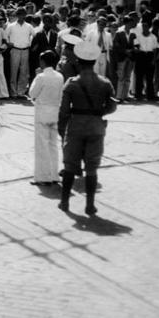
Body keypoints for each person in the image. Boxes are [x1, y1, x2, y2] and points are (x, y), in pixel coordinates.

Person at [57, 40, 117, 215]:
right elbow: (112, 106)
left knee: (69, 166)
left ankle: (65, 202)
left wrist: (64, 128)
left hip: (76, 126)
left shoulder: (71, 83)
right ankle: (90, 205)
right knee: (92, 167)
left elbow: (64, 110)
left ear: (79, 61)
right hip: (96, 127)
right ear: (93, 62)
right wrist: (98, 113)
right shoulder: (105, 83)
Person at [28, 50, 63, 185]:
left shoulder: (41, 77)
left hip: (42, 111)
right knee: (53, 144)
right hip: (55, 111)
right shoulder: (60, 76)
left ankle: (43, 177)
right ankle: (54, 175)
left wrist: (36, 77)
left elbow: (32, 93)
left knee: (41, 145)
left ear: (43, 62)